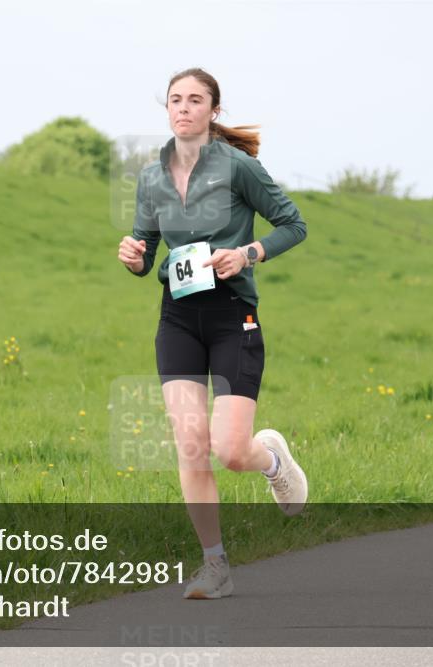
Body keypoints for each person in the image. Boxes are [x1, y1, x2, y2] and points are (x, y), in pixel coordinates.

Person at [117, 68, 309, 599]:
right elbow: (145, 249)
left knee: (229, 451)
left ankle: (270, 459)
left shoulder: (239, 168)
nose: (183, 108)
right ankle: (215, 565)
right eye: (175, 100)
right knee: (190, 445)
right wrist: (133, 256)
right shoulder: (151, 177)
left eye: (195, 100)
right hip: (177, 317)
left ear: (213, 111)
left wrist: (248, 253)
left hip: (232, 317)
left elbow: (294, 224)